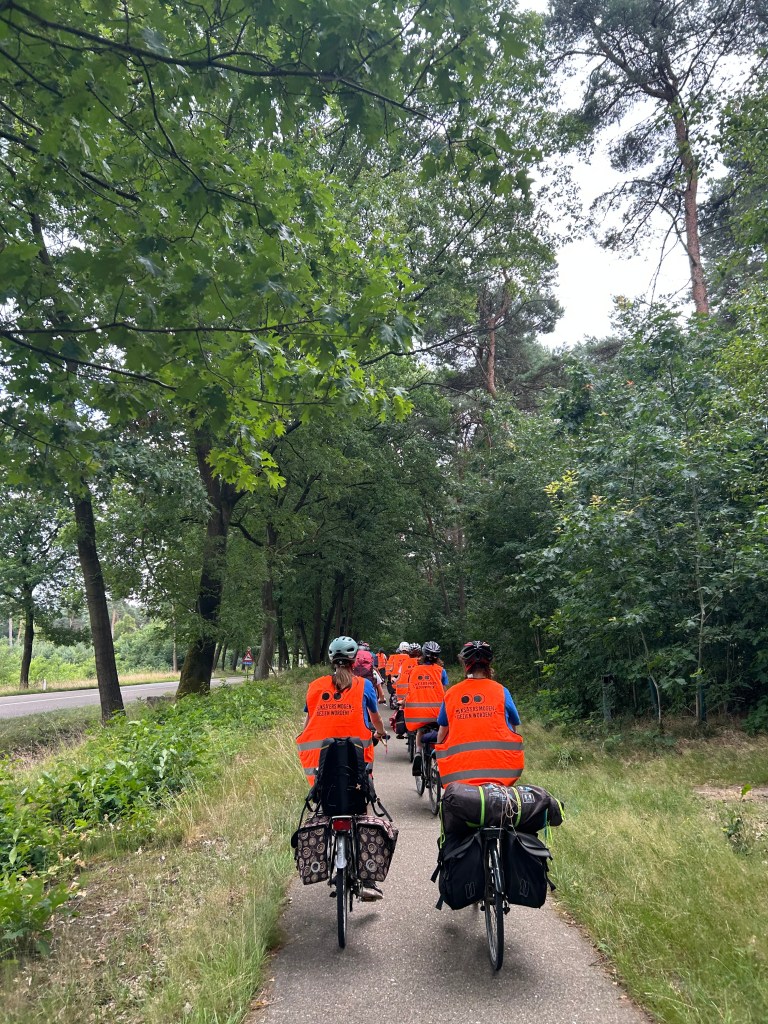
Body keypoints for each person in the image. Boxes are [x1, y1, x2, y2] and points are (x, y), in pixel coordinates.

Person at [296, 635, 388, 900]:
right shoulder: (364, 686)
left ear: (331, 660)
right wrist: (380, 734)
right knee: (363, 808)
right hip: (356, 768)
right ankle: (368, 879)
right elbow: (375, 721)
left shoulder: (315, 687)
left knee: (326, 807)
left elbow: (308, 725)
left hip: (321, 767)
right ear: (354, 661)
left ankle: (327, 859)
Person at [435, 640, 524, 788]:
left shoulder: (451, 694)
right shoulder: (502, 691)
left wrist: (439, 757)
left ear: (465, 664)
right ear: (488, 665)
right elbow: (513, 728)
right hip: (501, 773)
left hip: (459, 773)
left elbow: (442, 732)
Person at [403, 640, 449, 777]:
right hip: (437, 713)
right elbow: (444, 692)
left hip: (418, 713)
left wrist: (403, 702)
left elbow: (411, 691)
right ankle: (439, 754)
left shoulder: (414, 671)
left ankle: (418, 752)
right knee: (442, 730)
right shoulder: (441, 671)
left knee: (420, 730)